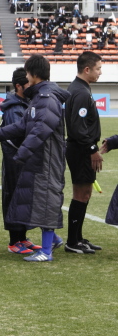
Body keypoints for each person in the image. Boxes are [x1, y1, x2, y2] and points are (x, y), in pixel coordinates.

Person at [0, 55, 68, 262]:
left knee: (46, 202)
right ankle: (44, 246)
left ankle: (46, 251)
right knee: (40, 201)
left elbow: (40, 131)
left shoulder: (46, 99)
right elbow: (23, 126)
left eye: (28, 73)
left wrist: (21, 155)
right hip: (39, 160)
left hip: (46, 161)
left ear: (34, 75)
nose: (26, 78)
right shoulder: (39, 98)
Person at [0, 67, 40, 254]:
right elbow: (18, 136)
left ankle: (23, 238)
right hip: (15, 160)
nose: (31, 86)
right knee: (14, 197)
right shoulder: (14, 108)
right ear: (18, 86)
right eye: (28, 83)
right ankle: (13, 241)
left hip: (24, 159)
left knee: (24, 198)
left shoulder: (26, 103)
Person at [64, 50, 105, 254]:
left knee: (85, 193)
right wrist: (92, 150)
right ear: (87, 69)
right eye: (98, 69)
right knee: (81, 194)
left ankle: (78, 238)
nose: (100, 73)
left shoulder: (79, 89)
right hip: (81, 150)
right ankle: (73, 241)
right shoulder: (80, 92)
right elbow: (78, 127)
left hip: (80, 148)